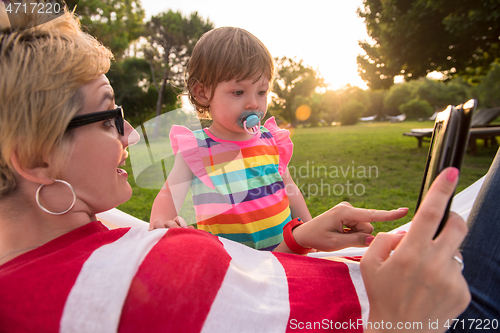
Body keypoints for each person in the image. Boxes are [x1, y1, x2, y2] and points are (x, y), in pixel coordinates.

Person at [1, 6, 495, 333]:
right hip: (421, 315)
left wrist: (299, 237)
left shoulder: (92, 230)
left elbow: (261, 266)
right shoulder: (66, 300)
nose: (131, 135)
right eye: (111, 115)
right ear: (38, 158)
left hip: (353, 276)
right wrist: (397, 320)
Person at [150, 27, 314, 251]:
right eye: (239, 92)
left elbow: (290, 190)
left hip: (285, 254)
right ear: (203, 93)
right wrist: (161, 221)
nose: (253, 104)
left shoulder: (271, 140)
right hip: (230, 262)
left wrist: (310, 230)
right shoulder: (196, 149)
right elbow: (171, 193)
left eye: (261, 92)